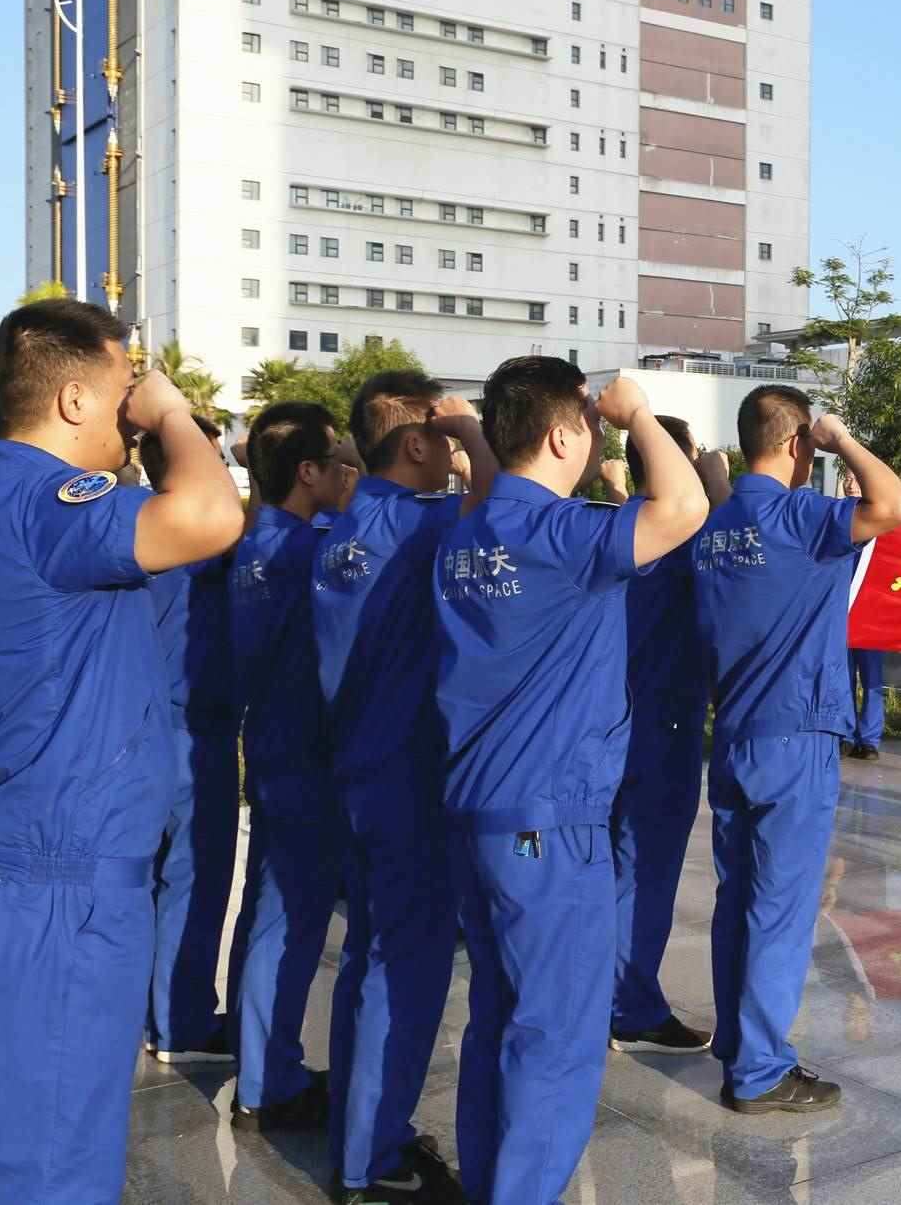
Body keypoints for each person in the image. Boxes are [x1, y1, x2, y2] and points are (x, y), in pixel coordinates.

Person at [0, 298, 242, 1202]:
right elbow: (212, 514)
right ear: (74, 399)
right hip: (56, 882)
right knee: (52, 1164)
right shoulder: (49, 498)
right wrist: (175, 415)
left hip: (15, 861)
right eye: (122, 386)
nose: (133, 408)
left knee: (15, 1141)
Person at [436, 359, 707, 1204]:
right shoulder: (564, 536)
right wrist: (640, 414)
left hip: (480, 816)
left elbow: (501, 485)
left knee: (499, 1019)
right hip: (548, 825)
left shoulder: (470, 533)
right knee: (556, 1038)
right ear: (562, 436)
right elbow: (685, 507)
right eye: (588, 424)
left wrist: (474, 432)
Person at [692, 385, 901, 1113]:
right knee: (780, 909)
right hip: (796, 738)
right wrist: (842, 438)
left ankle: (737, 1043)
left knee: (737, 899)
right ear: (797, 445)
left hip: (735, 735)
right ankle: (760, 1072)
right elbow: (896, 505)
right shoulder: (801, 516)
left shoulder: (718, 525)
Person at [314, 370, 494, 1202]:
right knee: (406, 965)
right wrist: (476, 436)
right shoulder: (422, 524)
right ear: (417, 441)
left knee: (366, 959)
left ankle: (358, 1128)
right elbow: (507, 509)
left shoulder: (348, 522)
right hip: (409, 776)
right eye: (442, 432)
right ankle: (374, 1159)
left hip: (357, 765)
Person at [226, 400, 349, 1132]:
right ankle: (269, 1080)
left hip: (272, 744)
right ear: (307, 472)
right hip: (305, 754)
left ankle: (263, 1064)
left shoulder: (254, 542)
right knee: (291, 921)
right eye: (335, 461)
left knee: (272, 914)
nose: (344, 472)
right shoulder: (308, 553)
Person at [598, 415, 732, 1057]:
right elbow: (742, 548)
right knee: (645, 867)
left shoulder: (612, 528)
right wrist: (717, 480)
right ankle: (630, 1007)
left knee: (606, 866)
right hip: (663, 722)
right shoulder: (688, 539)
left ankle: (596, 994)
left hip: (603, 723)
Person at [140, 414, 245, 1067]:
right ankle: (180, 1019)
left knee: (149, 881)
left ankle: (152, 1011)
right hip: (194, 730)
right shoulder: (199, 538)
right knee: (194, 878)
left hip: (141, 731)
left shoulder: (135, 530)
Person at [839, 472, 884, 761]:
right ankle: (844, 734)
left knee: (872, 677)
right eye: (846, 477)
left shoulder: (882, 518)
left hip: (872, 613)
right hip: (841, 610)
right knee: (842, 675)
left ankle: (868, 739)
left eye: (856, 477)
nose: (850, 482)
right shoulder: (838, 515)